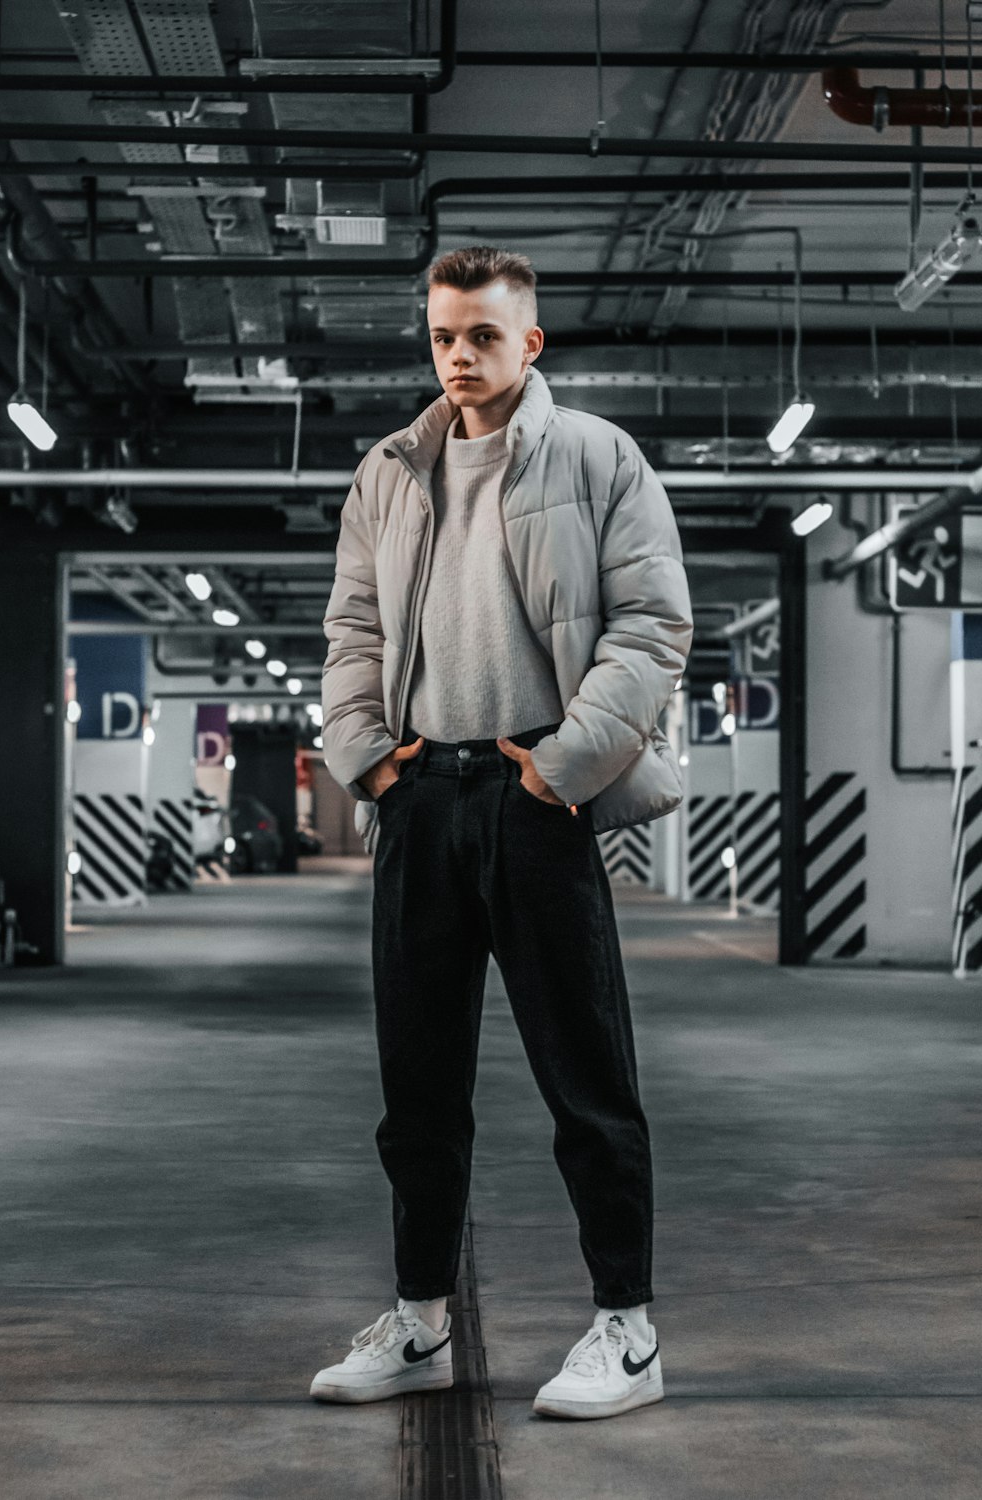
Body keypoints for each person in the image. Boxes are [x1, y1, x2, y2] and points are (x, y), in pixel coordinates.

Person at [312, 246, 693, 1421]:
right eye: (442, 336)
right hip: (423, 803)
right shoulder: (388, 471)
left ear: (531, 344)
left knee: (587, 1082)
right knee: (416, 1090)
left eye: (482, 335)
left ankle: (625, 1331)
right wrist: (365, 755)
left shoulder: (596, 458)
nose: (459, 356)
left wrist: (568, 766)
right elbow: (353, 628)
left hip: (539, 799)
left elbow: (651, 623)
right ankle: (421, 1321)